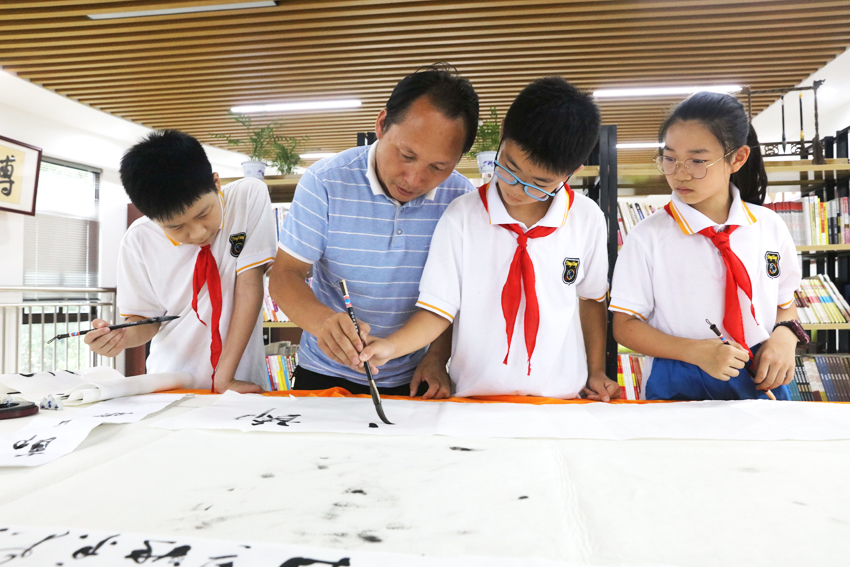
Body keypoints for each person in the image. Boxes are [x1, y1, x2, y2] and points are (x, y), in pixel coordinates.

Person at [359, 77, 619, 401]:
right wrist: (390, 347)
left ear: (572, 172)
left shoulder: (586, 218)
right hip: (474, 399)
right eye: (508, 168)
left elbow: (591, 298)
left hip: (560, 397)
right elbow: (439, 310)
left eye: (538, 184)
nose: (515, 190)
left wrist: (596, 370)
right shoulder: (462, 217)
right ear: (501, 137)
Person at [269, 64, 479, 399]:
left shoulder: (461, 198)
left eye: (438, 167)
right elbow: (285, 275)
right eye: (406, 155)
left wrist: (438, 356)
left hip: (416, 374)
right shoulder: (324, 182)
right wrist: (323, 322)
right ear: (382, 124)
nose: (414, 179)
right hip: (325, 371)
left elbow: (453, 296)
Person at [610, 91, 806, 400]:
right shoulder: (647, 236)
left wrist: (785, 336)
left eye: (697, 161)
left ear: (737, 158)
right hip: (680, 371)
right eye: (670, 158)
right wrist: (696, 352)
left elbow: (785, 301)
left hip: (759, 372)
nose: (680, 173)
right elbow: (624, 325)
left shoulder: (769, 226)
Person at [85, 130, 277, 393]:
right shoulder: (138, 239)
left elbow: (249, 286)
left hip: (239, 383)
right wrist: (120, 337)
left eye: (204, 213)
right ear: (152, 217)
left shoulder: (247, 197)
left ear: (216, 182)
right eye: (175, 226)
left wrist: (224, 378)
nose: (198, 233)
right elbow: (145, 319)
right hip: (170, 384)